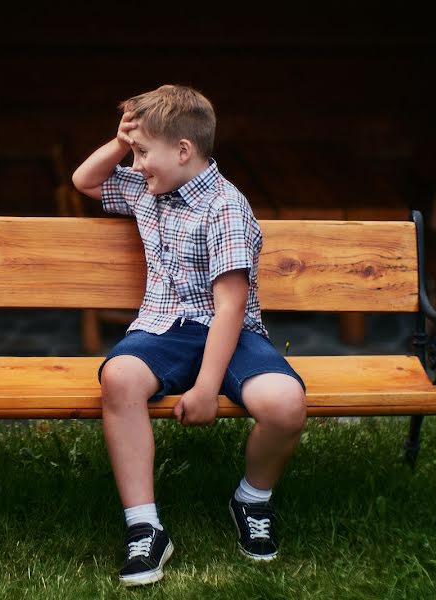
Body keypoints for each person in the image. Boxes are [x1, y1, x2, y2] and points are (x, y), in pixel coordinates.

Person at [72, 85, 307, 587]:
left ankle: (252, 499)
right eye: (132, 154)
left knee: (286, 405)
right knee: (119, 378)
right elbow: (85, 181)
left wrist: (205, 388)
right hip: (165, 329)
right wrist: (121, 141)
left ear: (182, 151)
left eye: (141, 153)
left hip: (231, 333)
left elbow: (230, 308)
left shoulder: (225, 207)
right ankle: (145, 526)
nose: (134, 166)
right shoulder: (147, 187)